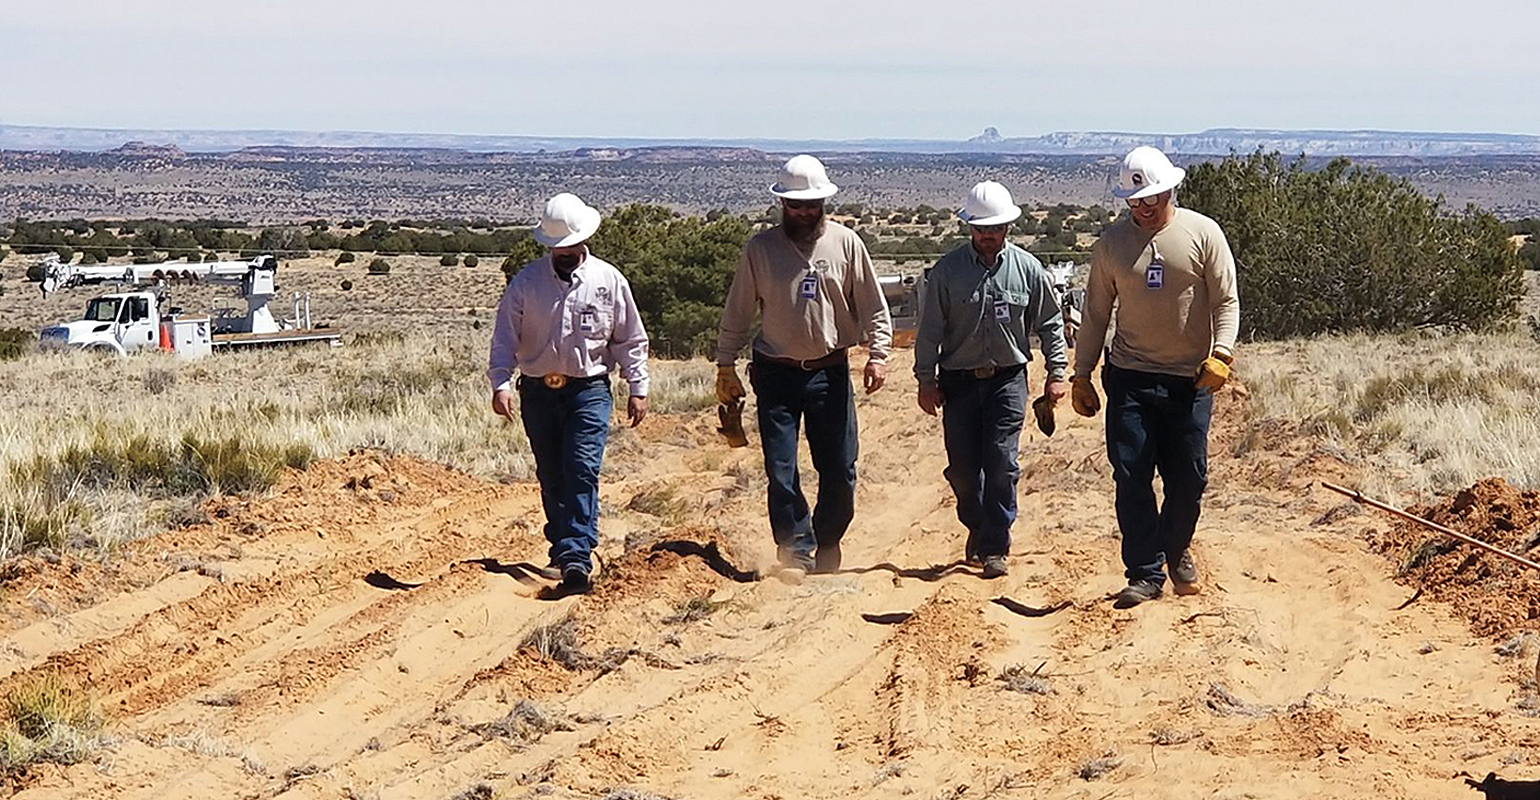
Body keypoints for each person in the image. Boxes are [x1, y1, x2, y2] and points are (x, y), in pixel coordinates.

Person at [1070, 146, 1240, 609]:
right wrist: (1081, 374)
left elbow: (1227, 301)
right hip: (1130, 378)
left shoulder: (1203, 234)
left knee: (1189, 478)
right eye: (1134, 200)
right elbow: (1095, 314)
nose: (1143, 207)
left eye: (1151, 197)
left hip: (1191, 380)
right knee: (1131, 475)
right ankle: (1144, 571)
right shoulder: (1112, 245)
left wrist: (1221, 354)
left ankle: (1176, 547)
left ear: (1170, 189)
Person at [715, 154, 893, 581]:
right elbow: (737, 312)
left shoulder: (847, 244)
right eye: (796, 205)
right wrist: (725, 364)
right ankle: (795, 547)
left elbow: (873, 305)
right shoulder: (760, 250)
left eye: (811, 204)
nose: (804, 211)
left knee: (840, 468)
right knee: (780, 467)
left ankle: (827, 541)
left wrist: (879, 354)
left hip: (829, 373)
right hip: (774, 372)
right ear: (782, 205)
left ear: (823, 203)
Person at [488, 192, 650, 594]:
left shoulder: (608, 280)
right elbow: (504, 337)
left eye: (569, 244)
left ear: (584, 239)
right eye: (556, 246)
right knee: (552, 473)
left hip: (589, 389)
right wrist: (500, 383)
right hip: (539, 392)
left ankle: (576, 554)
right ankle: (562, 546)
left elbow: (629, 338)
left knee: (581, 467)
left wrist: (638, 386)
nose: (563, 251)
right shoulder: (526, 283)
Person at [913, 181, 1069, 578]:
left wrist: (1056, 372)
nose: (988, 235)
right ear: (969, 228)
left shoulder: (1028, 269)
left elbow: (1051, 323)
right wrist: (925, 379)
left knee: (1001, 461)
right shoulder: (947, 272)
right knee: (964, 469)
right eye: (981, 228)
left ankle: (996, 543)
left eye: (995, 228)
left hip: (1007, 381)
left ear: (1007, 228)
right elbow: (929, 329)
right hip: (959, 382)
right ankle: (977, 525)